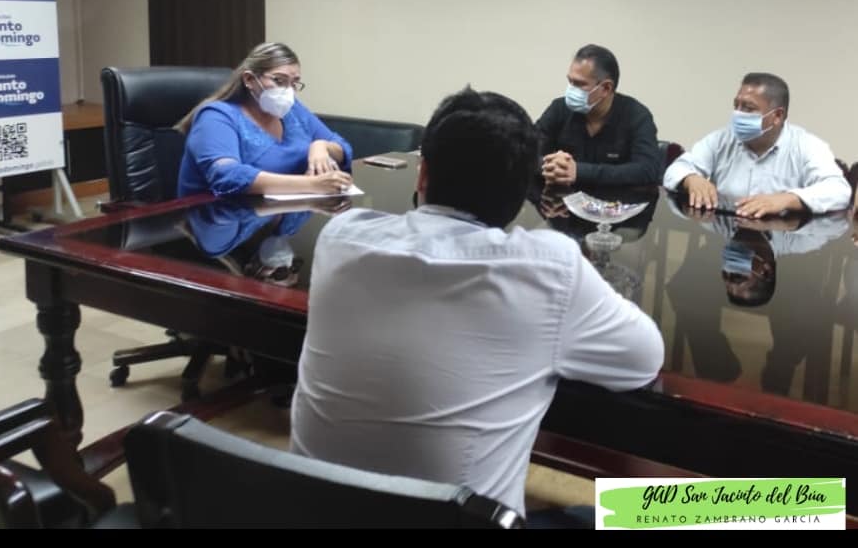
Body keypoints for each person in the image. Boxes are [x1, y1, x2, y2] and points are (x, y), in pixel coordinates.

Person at [291, 87, 664, 521]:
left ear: (422, 174)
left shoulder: (341, 237)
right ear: (522, 194)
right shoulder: (549, 267)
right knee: (687, 505)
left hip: (311, 512)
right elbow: (644, 360)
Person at [663, 72, 851, 217]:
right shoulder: (722, 139)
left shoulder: (807, 146)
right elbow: (676, 169)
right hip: (726, 234)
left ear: (777, 116)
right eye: (736, 105)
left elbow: (839, 191)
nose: (738, 114)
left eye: (748, 108)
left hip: (783, 240)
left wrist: (787, 199)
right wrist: (691, 178)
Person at [177, 42, 353, 197]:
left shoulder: (293, 110)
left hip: (286, 213)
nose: (288, 91)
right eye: (279, 81)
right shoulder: (215, 116)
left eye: (294, 83)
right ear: (249, 79)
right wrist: (311, 185)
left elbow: (343, 147)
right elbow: (226, 176)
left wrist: (321, 146)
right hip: (220, 216)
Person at [536, 44, 662, 187]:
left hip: (616, 199)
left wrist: (579, 171)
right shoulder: (559, 108)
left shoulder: (637, 116)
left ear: (606, 88)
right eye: (570, 81)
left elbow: (647, 170)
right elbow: (524, 152)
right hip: (561, 198)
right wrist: (550, 166)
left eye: (579, 84)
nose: (570, 90)